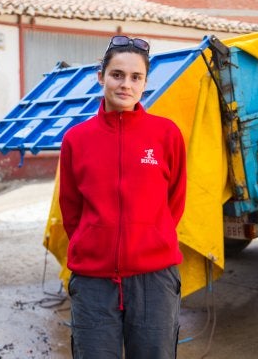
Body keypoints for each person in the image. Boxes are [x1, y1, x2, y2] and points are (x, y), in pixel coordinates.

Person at [59, 35, 187, 359]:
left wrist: (149, 239)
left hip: (155, 280)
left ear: (145, 82)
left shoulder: (166, 134)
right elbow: (71, 208)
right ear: (100, 76)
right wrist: (95, 245)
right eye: (117, 75)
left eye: (135, 77)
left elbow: (175, 200)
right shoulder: (76, 139)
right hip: (93, 281)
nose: (125, 85)